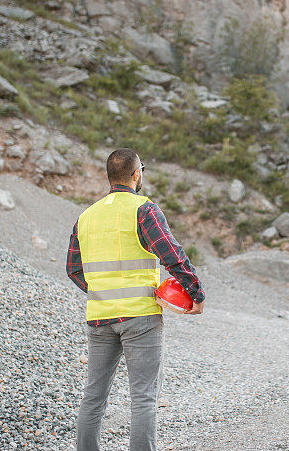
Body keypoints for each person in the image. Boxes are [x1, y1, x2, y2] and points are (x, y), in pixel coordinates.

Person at [66, 148, 205, 451]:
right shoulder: (144, 209)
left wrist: (103, 290)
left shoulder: (85, 217)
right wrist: (196, 293)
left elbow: (73, 269)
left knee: (93, 396)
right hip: (140, 317)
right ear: (136, 174)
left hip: (99, 317)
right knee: (143, 396)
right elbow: (172, 255)